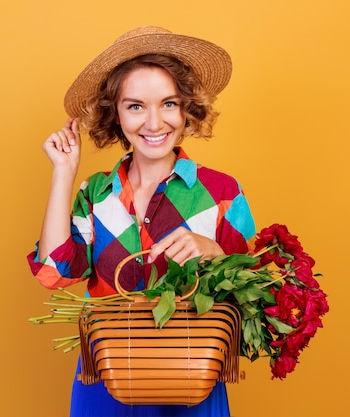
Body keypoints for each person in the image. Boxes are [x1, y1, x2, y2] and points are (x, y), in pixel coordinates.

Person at [28, 26, 256, 417]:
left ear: (187, 109)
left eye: (169, 104)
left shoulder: (223, 192)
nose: (154, 123)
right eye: (135, 106)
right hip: (105, 376)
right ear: (114, 114)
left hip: (191, 377)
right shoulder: (97, 193)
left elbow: (252, 297)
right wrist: (64, 174)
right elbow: (55, 273)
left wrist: (213, 252)